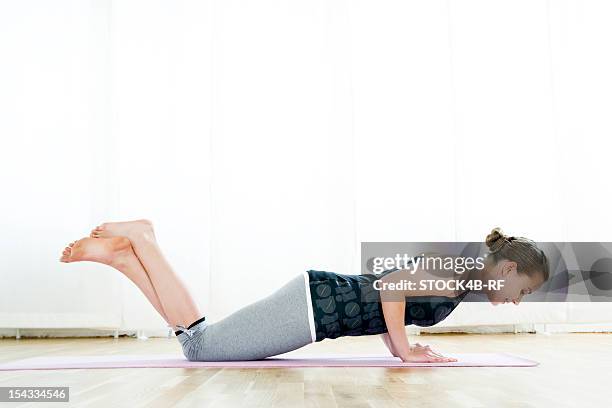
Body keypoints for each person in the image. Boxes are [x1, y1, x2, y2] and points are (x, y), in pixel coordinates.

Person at [59, 221, 549, 363]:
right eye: (521, 290)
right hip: (314, 307)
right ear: (506, 269)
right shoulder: (454, 273)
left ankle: (125, 259)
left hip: (317, 301)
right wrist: (404, 353)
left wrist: (403, 343)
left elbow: (386, 301)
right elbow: (391, 288)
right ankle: (142, 242)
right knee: (200, 346)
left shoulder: (458, 276)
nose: (516, 300)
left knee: (198, 343)